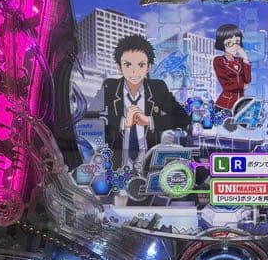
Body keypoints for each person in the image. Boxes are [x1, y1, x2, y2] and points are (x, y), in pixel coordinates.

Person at [90, 35, 190, 167]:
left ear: (148, 67)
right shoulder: (110, 86)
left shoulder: (157, 88)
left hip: (150, 165)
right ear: (119, 67)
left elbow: (183, 118)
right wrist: (123, 122)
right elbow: (89, 119)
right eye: (127, 64)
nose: (134, 71)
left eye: (141, 65)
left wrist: (149, 121)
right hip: (116, 166)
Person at [212, 23, 251, 110]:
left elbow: (247, 80)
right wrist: (242, 86)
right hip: (225, 105)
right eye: (229, 43)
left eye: (237, 42)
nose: (235, 47)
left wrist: (245, 58)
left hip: (240, 104)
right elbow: (226, 85)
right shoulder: (219, 60)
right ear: (221, 44)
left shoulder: (240, 61)